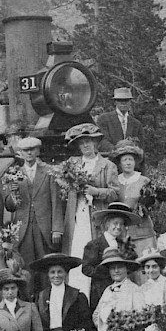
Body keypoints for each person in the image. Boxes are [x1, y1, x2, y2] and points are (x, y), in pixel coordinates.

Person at [62, 123, 119, 300]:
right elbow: (62, 191)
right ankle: (76, 298)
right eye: (82, 143)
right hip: (77, 217)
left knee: (95, 255)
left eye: (89, 142)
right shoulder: (71, 165)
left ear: (96, 144)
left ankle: (98, 299)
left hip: (96, 218)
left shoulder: (107, 166)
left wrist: (96, 192)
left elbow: (116, 193)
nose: (86, 146)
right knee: (76, 253)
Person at [4, 136, 64, 267]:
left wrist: (57, 229)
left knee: (46, 264)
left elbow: (56, 202)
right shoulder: (14, 173)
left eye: (32, 150)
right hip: (23, 228)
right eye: (26, 150)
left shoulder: (49, 172)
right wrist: (13, 194)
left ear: (38, 151)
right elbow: (9, 206)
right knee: (26, 265)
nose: (29, 153)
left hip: (44, 227)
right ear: (21, 153)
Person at [81, 202, 139, 309]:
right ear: (107, 223)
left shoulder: (123, 244)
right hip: (101, 291)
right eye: (115, 223)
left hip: (122, 291)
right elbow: (86, 268)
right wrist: (108, 272)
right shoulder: (95, 244)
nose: (118, 227)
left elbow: (132, 264)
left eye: (121, 224)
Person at [110, 141, 157, 261]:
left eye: (130, 159)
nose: (128, 163)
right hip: (121, 231)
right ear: (119, 163)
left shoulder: (144, 180)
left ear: (135, 162)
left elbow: (151, 204)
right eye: (125, 160)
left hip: (142, 230)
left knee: (144, 262)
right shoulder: (114, 181)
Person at [95, 88, 146, 152]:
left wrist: (132, 145)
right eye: (120, 100)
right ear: (115, 102)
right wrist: (116, 149)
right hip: (110, 158)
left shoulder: (136, 123)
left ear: (130, 102)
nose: (123, 103)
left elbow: (140, 144)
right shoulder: (104, 119)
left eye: (126, 100)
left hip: (130, 158)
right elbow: (102, 141)